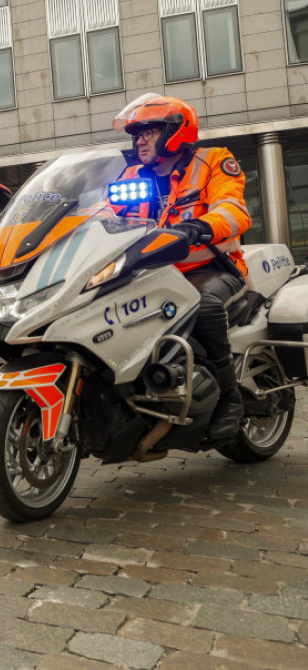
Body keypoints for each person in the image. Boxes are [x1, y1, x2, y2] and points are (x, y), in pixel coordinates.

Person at [113, 94, 251, 441]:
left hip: (212, 267)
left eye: (149, 130)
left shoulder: (213, 161)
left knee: (203, 306)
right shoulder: (131, 175)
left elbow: (234, 210)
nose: (139, 139)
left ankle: (229, 400)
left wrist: (201, 227)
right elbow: (102, 218)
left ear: (176, 131)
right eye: (136, 133)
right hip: (151, 275)